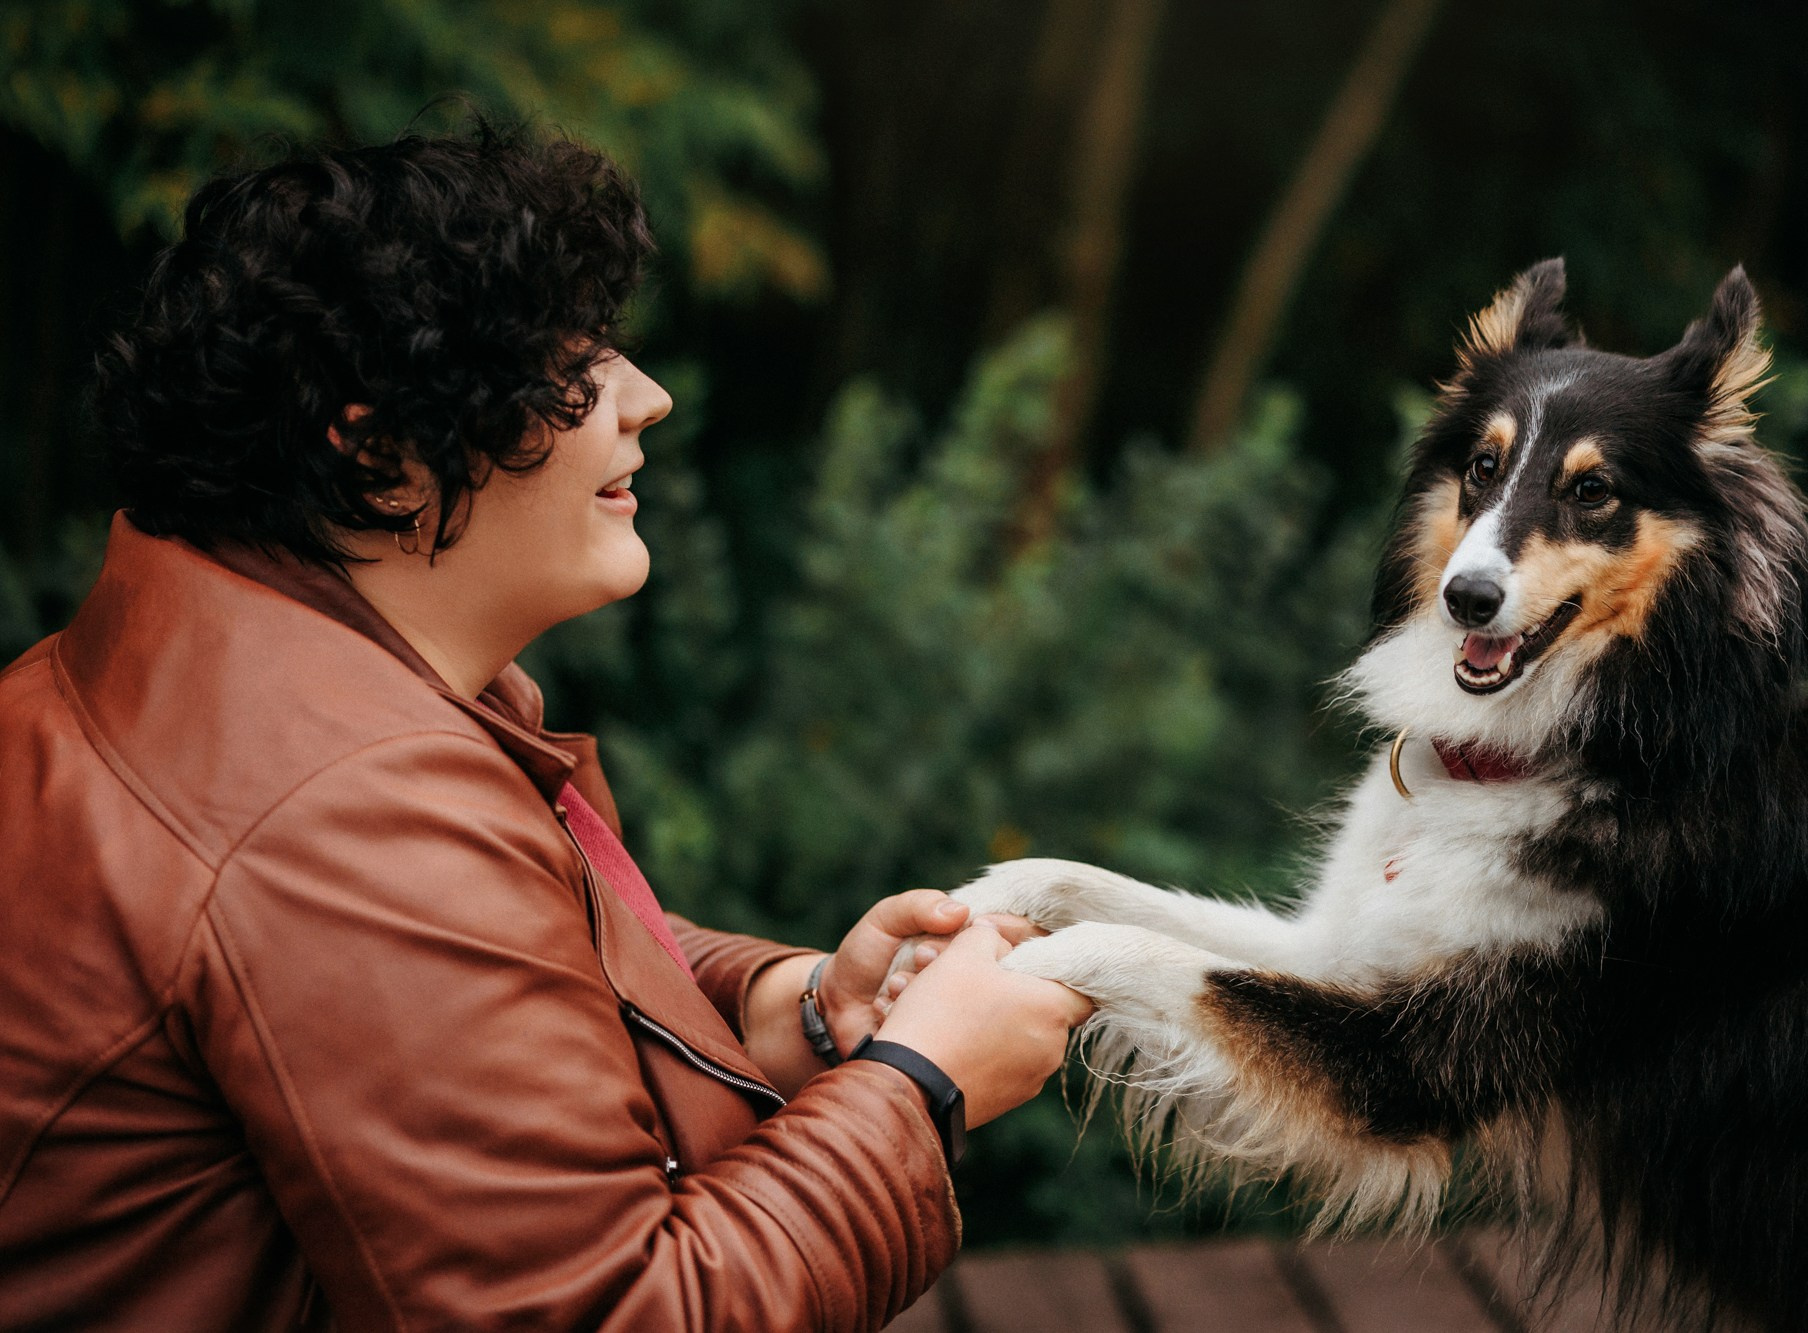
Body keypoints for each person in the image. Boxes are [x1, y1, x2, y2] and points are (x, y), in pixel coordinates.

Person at [0, 123, 1090, 1331]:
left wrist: (803, 1009)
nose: (645, 398)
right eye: (569, 366)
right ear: (378, 454)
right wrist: (919, 1086)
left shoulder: (219, 682)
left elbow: (501, 976)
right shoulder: (337, 813)